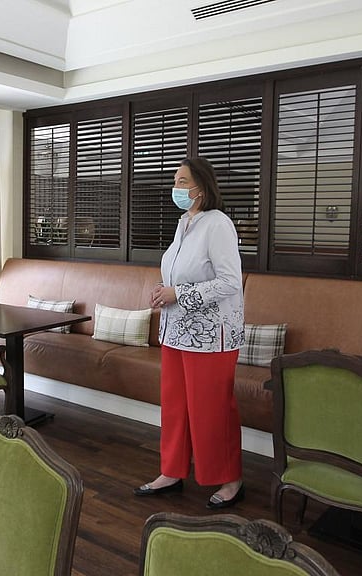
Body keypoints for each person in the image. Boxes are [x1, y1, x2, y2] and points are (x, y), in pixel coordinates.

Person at [133, 156, 246, 509]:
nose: (176, 188)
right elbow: (181, 274)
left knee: (211, 410)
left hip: (212, 338)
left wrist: (178, 293)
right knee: (176, 408)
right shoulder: (185, 222)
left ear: (201, 187)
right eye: (176, 181)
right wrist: (164, 290)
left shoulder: (218, 224)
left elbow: (230, 282)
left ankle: (230, 479)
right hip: (176, 333)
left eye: (182, 182)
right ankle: (172, 471)